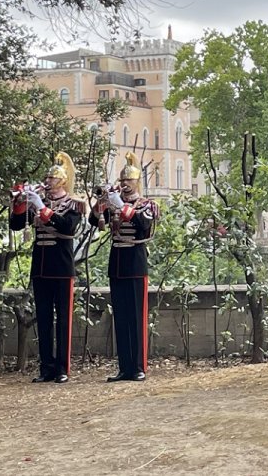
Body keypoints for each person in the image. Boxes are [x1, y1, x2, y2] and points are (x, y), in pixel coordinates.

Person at [10, 152, 84, 384]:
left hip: (61, 267)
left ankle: (62, 367)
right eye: (47, 178)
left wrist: (42, 207)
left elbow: (67, 228)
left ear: (62, 181)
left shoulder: (73, 203)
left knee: (62, 319)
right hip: (40, 267)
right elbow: (15, 225)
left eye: (52, 179)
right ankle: (46, 367)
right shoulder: (38, 202)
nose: (48, 182)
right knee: (42, 318)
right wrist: (21, 203)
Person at [89, 152, 158, 382]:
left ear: (137, 181)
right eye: (122, 181)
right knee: (121, 317)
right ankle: (124, 367)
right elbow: (94, 221)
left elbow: (143, 225)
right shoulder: (114, 202)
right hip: (117, 263)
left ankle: (138, 366)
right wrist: (102, 203)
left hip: (136, 263)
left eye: (128, 181)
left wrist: (122, 206)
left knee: (136, 318)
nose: (124, 184)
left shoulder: (147, 204)